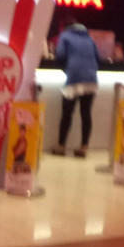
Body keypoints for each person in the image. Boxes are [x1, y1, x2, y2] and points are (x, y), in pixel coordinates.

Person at [51, 23, 100, 158]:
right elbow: (97, 57)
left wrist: (67, 66)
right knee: (86, 113)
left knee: (67, 113)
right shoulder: (89, 39)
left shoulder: (65, 36)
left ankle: (61, 146)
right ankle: (83, 147)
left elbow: (60, 55)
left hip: (74, 77)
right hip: (91, 79)